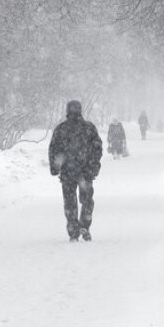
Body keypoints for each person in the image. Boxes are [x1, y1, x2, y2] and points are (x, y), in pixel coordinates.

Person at [49, 100, 103, 242]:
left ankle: (73, 229)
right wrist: (94, 166)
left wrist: (55, 167)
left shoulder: (61, 129)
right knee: (87, 200)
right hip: (86, 171)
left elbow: (53, 150)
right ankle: (84, 225)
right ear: (80, 111)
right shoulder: (89, 128)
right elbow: (97, 148)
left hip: (67, 172)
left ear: (67, 111)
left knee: (69, 202)